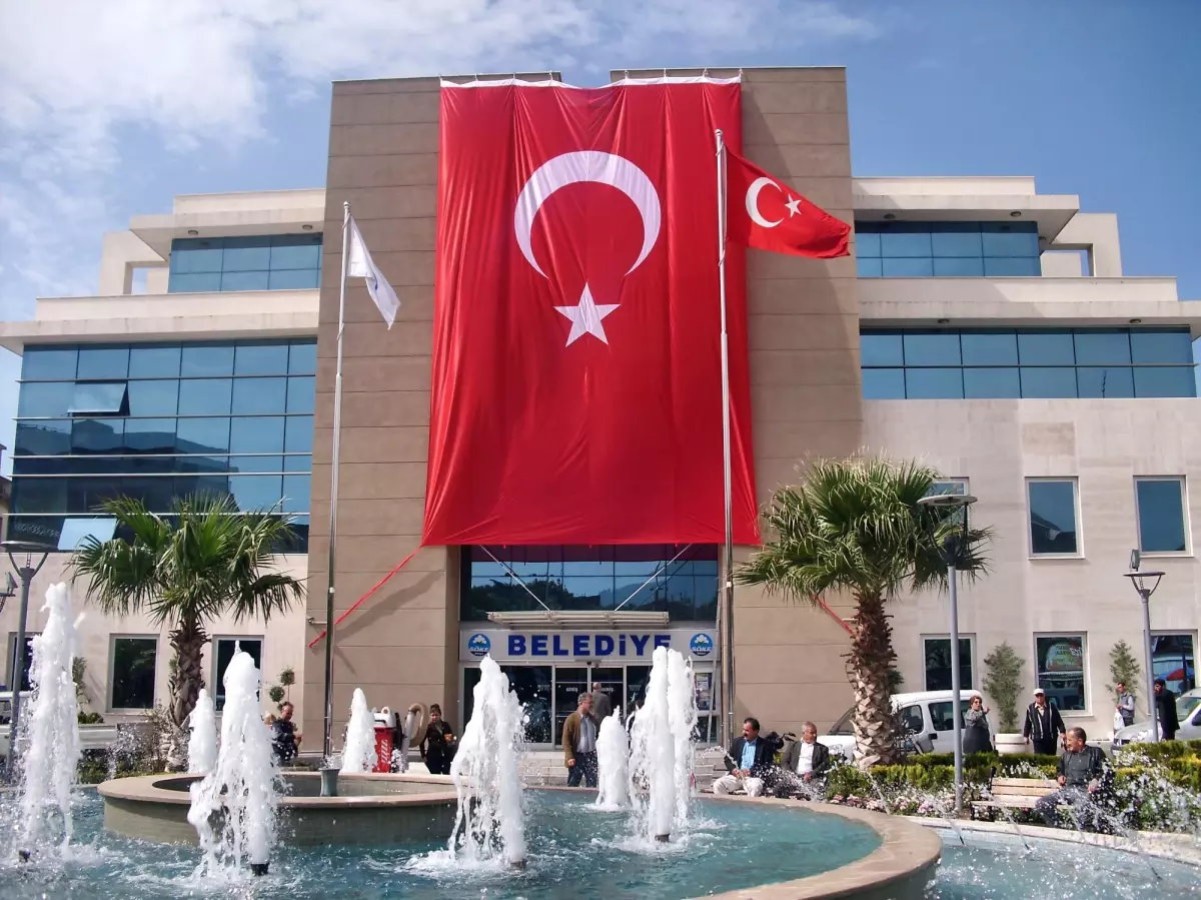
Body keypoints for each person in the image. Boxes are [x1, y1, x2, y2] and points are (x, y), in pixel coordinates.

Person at [1035, 727, 1111, 829]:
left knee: (1082, 807)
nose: (1066, 743)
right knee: (1042, 803)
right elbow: (1059, 769)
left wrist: (1096, 779)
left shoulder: (1096, 753)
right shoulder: (1066, 756)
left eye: (1069, 740)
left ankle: (1082, 832)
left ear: (1080, 741)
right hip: (1068, 791)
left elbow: (1107, 771)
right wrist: (1060, 776)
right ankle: (1061, 828)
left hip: (1086, 792)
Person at [713, 717, 780, 797]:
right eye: (743, 730)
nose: (743, 732)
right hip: (736, 777)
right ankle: (726, 804)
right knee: (718, 784)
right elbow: (727, 759)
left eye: (747, 731)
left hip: (752, 778)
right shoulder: (737, 742)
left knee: (756, 787)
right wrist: (733, 769)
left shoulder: (765, 745)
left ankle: (750, 805)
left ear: (756, 731)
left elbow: (767, 765)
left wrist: (750, 771)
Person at [778, 722, 831, 799]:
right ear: (804, 733)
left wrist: (811, 774)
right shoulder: (793, 746)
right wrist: (791, 775)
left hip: (811, 778)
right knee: (778, 790)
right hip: (795, 776)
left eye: (815, 733)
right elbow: (784, 762)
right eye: (812, 733)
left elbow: (825, 764)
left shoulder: (822, 749)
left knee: (818, 790)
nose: (815, 735)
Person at [562, 692, 599, 788]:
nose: (591, 705)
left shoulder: (592, 719)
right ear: (581, 703)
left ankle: (591, 797)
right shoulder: (572, 719)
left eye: (592, 703)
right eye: (589, 702)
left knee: (592, 783)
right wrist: (569, 756)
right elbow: (566, 740)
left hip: (591, 755)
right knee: (573, 783)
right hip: (577, 756)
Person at [1022, 688, 1065, 755]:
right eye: (1037, 695)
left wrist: (1062, 732)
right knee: (1039, 758)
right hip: (1037, 738)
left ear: (1044, 695)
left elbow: (1059, 720)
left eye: (1041, 695)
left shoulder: (1051, 706)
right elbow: (1028, 723)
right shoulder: (1030, 708)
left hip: (1051, 738)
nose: (1039, 697)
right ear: (1035, 697)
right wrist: (1025, 736)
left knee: (1051, 757)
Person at [421, 703, 457, 775]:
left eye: (436, 715)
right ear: (430, 716)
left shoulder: (445, 725)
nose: (434, 717)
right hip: (433, 756)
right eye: (432, 715)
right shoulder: (428, 727)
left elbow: (450, 740)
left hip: (445, 754)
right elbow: (421, 742)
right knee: (435, 774)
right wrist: (423, 756)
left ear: (440, 715)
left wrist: (452, 752)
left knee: (446, 773)